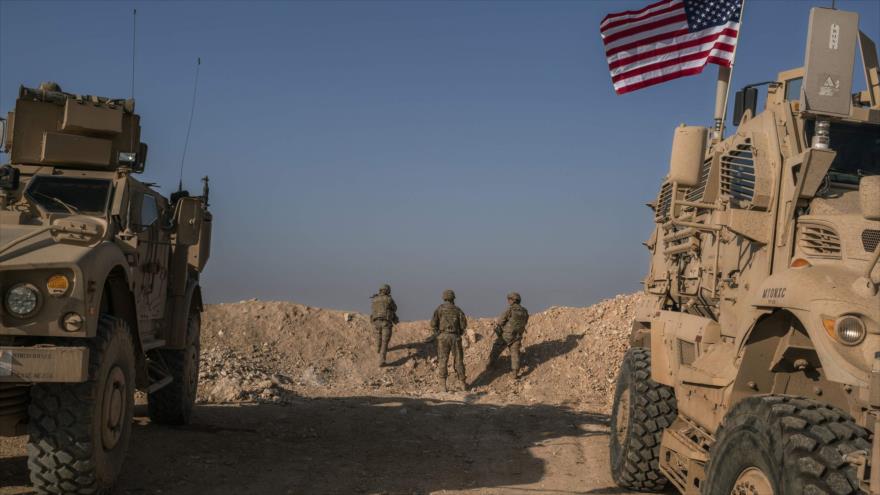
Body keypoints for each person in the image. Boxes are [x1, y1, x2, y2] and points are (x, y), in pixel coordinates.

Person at [430, 289, 467, 392]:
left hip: (443, 337)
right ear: (453, 298)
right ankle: (462, 384)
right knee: (459, 361)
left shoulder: (439, 309)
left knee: (443, 360)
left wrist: (438, 333)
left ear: (444, 298)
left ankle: (442, 386)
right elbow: (463, 325)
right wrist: (458, 333)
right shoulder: (458, 310)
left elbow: (433, 324)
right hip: (455, 337)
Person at [488, 292, 529, 378]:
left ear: (512, 300)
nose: (508, 301)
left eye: (509, 299)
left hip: (507, 335)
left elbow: (501, 321)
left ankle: (490, 365)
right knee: (515, 353)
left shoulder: (510, 309)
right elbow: (525, 322)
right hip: (517, 335)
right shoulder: (525, 311)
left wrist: (500, 329)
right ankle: (515, 373)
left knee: (496, 348)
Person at [370, 284, 399, 366]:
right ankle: (382, 360)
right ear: (387, 290)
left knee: (378, 336)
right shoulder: (389, 299)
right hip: (386, 322)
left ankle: (378, 348)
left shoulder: (374, 299)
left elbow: (373, 309)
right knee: (385, 341)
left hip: (376, 321)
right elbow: (395, 308)